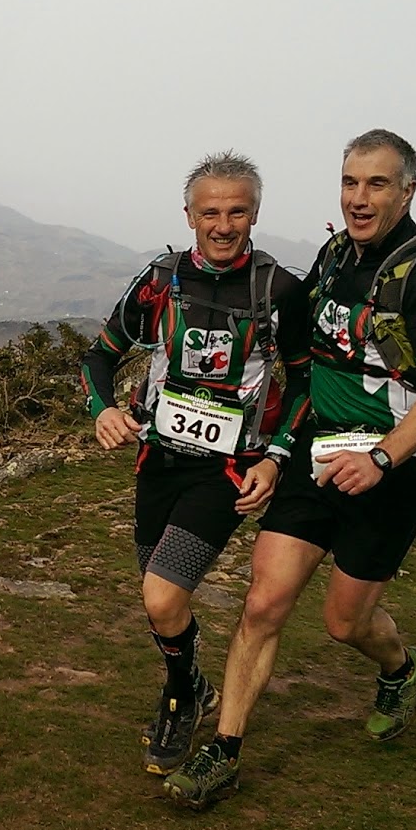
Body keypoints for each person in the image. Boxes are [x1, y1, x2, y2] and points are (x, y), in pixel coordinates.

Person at [165, 129, 416, 809]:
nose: (359, 198)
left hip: (392, 471)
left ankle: (401, 666)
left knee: (345, 624)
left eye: (376, 184)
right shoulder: (336, 255)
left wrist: (382, 457)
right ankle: (224, 751)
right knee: (262, 603)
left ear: (406, 193)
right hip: (317, 455)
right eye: (349, 183)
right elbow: (296, 338)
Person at [81, 151, 312, 776]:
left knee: (161, 596)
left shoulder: (280, 291)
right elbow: (99, 355)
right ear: (189, 216)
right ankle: (194, 684)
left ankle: (180, 699)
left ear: (255, 214)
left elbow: (305, 382)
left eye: (237, 212)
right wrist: (103, 410)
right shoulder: (159, 280)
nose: (223, 225)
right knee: (161, 603)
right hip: (158, 462)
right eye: (210, 212)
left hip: (226, 471)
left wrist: (277, 457)